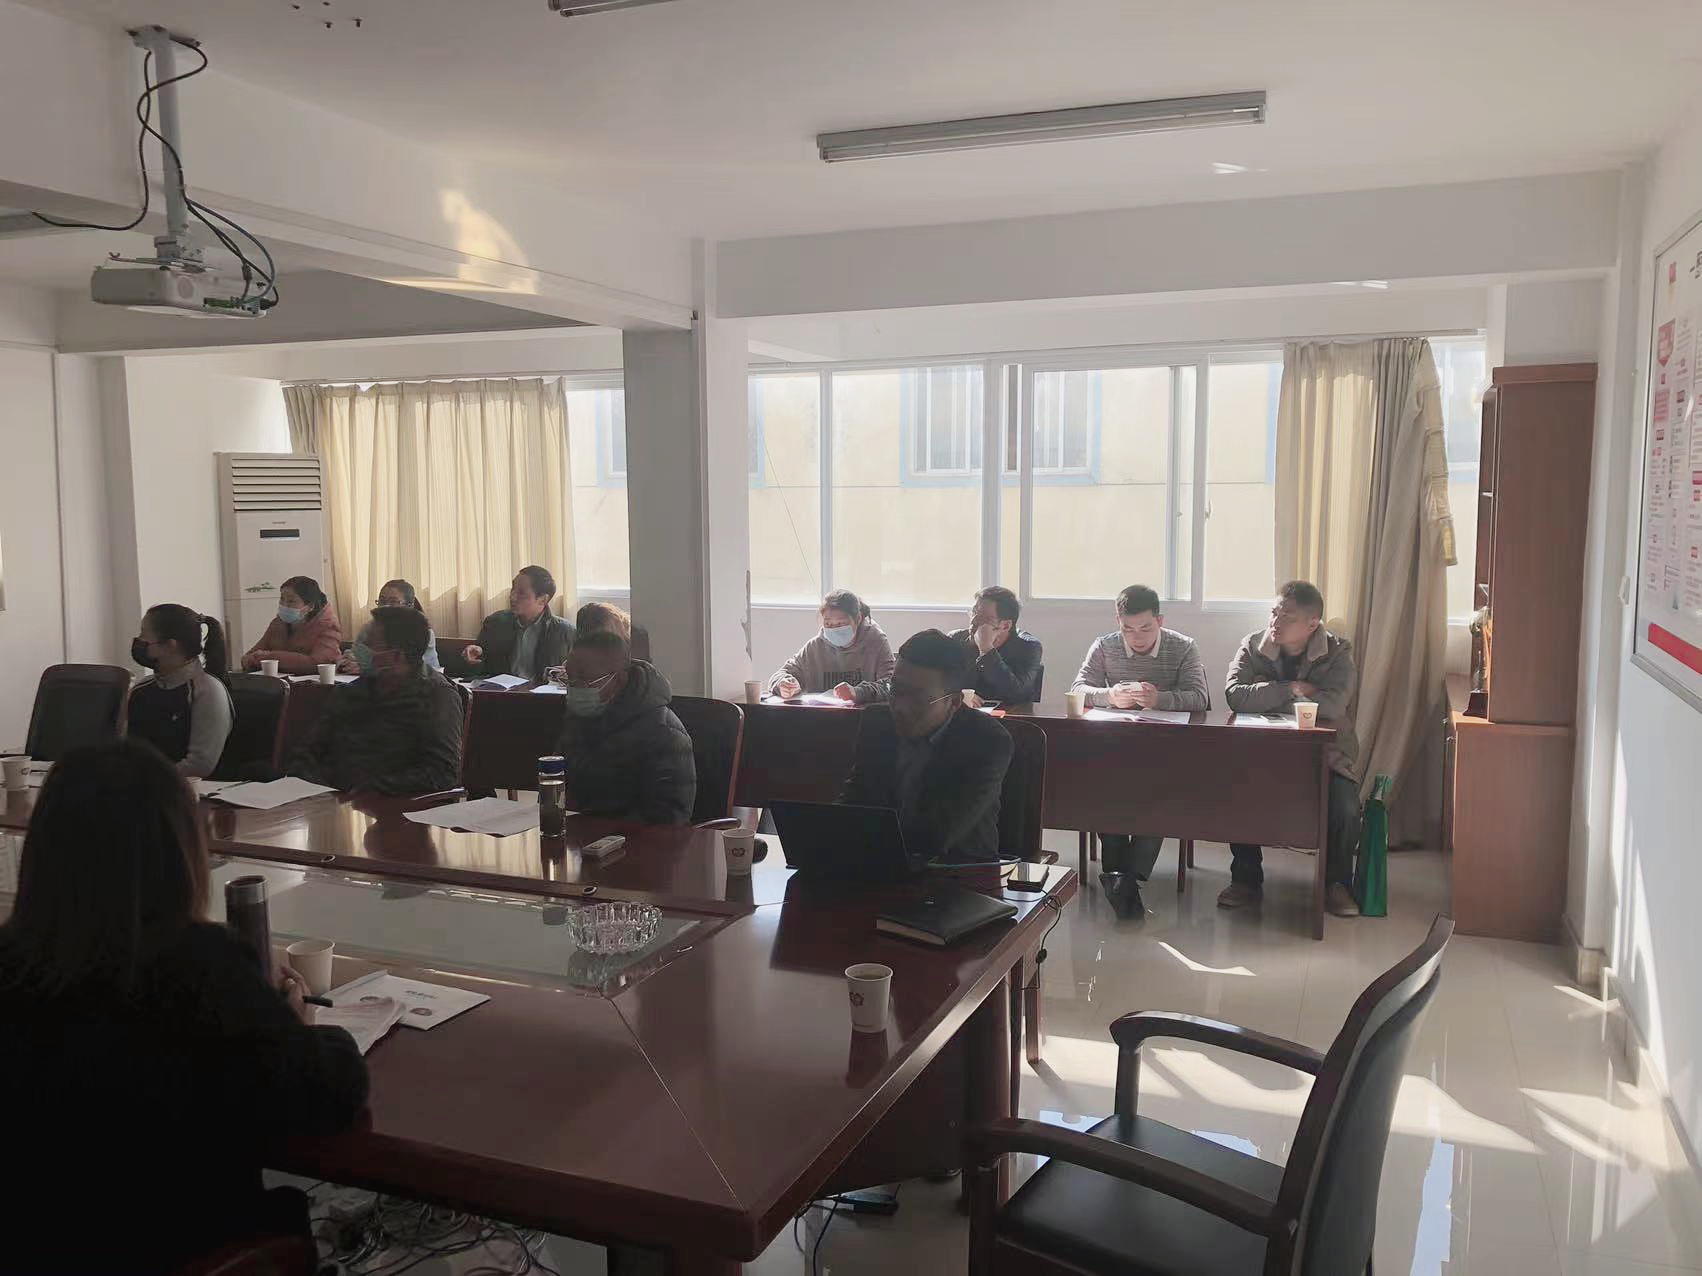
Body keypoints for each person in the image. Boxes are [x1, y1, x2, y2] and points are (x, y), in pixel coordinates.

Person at [0, 740, 367, 1274]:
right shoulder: (199, 966)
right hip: (186, 1249)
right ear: (179, 850)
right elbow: (330, 1091)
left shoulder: (12, 963)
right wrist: (293, 1020)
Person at [1222, 580, 1363, 918]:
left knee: (1345, 807)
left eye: (1287, 617)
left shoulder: (1337, 653)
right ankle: (1246, 879)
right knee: (1237, 791)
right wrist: (1294, 688)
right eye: (1274, 612)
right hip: (1263, 753)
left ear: (1312, 624)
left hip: (1325, 757)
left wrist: (1266, 695)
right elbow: (1235, 695)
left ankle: (1336, 884)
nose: (1276, 622)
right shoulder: (1253, 646)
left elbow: (1333, 705)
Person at [1071, 585, 1211, 917]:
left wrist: (1159, 699)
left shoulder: (1183, 646)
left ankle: (1125, 877)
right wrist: (1109, 696)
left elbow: (1199, 698)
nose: (1136, 637)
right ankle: (1123, 878)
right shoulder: (1105, 645)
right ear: (1118, 623)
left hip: (1167, 750)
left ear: (1159, 621)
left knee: (1159, 789)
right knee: (1100, 785)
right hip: (1114, 746)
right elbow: (1078, 689)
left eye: (1145, 628)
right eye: (1128, 629)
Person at [840, 629, 1014, 863]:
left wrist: (862, 834)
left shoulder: (987, 740)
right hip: (880, 863)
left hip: (958, 872)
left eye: (916, 698)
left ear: (954, 702)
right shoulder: (878, 722)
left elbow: (937, 835)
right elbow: (855, 798)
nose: (900, 706)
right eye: (896, 690)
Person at [288, 606, 464, 794]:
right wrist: (311, 786)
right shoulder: (353, 691)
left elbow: (441, 774)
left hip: (390, 802)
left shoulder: (438, 696)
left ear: (396, 655)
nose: (359, 649)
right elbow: (308, 750)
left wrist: (364, 790)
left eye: (369, 644)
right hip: (328, 797)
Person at [553, 630, 696, 825]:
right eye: (569, 679)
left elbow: (668, 818)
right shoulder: (577, 718)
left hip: (634, 839)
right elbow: (557, 787)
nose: (573, 688)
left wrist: (597, 831)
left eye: (583, 680)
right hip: (578, 834)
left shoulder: (663, 732)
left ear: (619, 680)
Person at [127, 603, 234, 779]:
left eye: (144, 634)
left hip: (190, 789)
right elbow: (127, 749)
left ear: (170, 646)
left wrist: (145, 780)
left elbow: (199, 765)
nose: (138, 641)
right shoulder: (142, 688)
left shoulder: (207, 691)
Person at [770, 589, 895, 701]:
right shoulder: (815, 647)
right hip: (822, 716)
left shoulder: (876, 643)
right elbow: (780, 674)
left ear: (858, 619)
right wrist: (783, 684)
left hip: (862, 716)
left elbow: (891, 685)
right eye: (828, 624)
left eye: (841, 624)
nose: (834, 629)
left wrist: (858, 692)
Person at [462, 565, 575, 682]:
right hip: (501, 691)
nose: (512, 597)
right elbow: (480, 661)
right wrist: (476, 653)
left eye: (521, 593)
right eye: (512, 590)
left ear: (543, 599)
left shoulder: (565, 632)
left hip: (542, 692)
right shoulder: (495, 623)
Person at [947, 585, 1044, 707]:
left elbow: (1017, 694)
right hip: (963, 714)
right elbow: (936, 682)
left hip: (1008, 716)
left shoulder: (1028, 647)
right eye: (974, 613)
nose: (974, 621)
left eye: (983, 618)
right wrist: (959, 694)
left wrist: (986, 650)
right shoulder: (956, 639)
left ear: (1005, 626)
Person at [240, 575, 343, 674]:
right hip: (279, 682)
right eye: (282, 599)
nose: (284, 605)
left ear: (310, 606)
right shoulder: (278, 623)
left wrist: (269, 657)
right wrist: (252, 660)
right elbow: (249, 657)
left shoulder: (328, 625)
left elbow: (319, 664)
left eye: (291, 601)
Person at [340, 578, 440, 673]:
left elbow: (410, 669)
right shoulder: (370, 627)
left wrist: (366, 669)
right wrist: (348, 662)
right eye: (382, 601)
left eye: (393, 602)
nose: (385, 606)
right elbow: (355, 653)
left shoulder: (422, 632)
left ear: (409, 606)